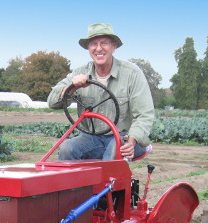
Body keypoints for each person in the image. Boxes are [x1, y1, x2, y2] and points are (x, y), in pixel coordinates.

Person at [47, 23, 155, 161]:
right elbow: (52, 102)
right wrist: (72, 87)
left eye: (104, 43)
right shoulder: (79, 73)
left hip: (125, 136)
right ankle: (77, 177)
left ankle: (111, 175)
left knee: (114, 150)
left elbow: (144, 115)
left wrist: (133, 139)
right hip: (91, 138)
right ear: (88, 48)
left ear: (113, 46)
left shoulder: (132, 73)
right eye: (93, 44)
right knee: (67, 148)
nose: (98, 48)